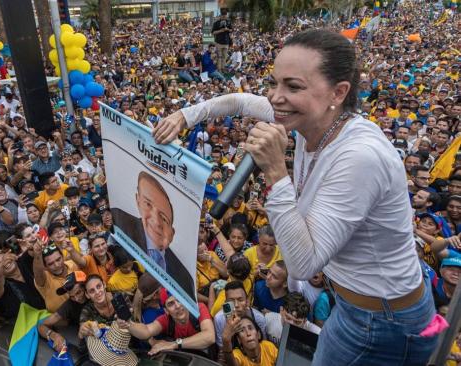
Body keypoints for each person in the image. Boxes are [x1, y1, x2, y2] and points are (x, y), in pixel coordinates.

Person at [153, 28, 437, 365]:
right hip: (352, 306)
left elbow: (303, 264)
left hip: (385, 321)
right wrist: (184, 116)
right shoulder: (307, 119)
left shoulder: (360, 156)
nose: (275, 97)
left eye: (293, 87)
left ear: (338, 92)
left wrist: (275, 170)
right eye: (275, 83)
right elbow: (239, 101)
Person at [110, 171, 194, 299]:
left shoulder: (184, 276)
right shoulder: (122, 225)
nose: (155, 220)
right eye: (148, 204)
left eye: (164, 218)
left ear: (172, 234)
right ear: (137, 201)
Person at [125, 289, 215, 356]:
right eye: (171, 303)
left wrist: (173, 344)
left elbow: (209, 337)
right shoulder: (166, 319)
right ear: (166, 310)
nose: (178, 306)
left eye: (180, 299)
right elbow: (147, 330)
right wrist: (128, 323)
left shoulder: (198, 308)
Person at [37, 271, 88, 352]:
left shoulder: (97, 294)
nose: (77, 299)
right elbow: (41, 326)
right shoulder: (70, 304)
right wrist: (54, 336)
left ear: (85, 286)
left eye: (78, 292)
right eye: (72, 296)